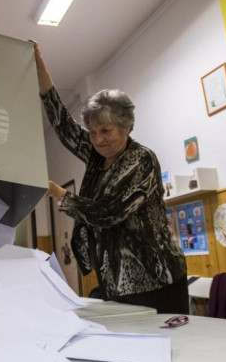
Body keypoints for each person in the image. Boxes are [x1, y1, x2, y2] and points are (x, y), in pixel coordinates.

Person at [31, 41, 188, 314]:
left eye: (106, 130)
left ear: (127, 126)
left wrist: (62, 195)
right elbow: (63, 123)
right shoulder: (95, 155)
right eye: (92, 132)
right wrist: (39, 67)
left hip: (156, 280)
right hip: (115, 281)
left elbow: (109, 213)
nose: (98, 139)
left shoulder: (141, 160)